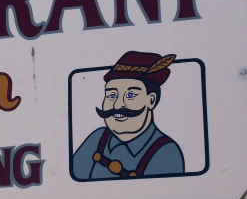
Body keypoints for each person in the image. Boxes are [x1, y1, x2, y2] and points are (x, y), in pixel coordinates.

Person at [72, 51, 185, 181]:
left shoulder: (166, 152)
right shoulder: (97, 138)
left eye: (130, 95)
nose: (118, 105)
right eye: (112, 95)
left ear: (151, 100)